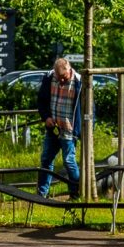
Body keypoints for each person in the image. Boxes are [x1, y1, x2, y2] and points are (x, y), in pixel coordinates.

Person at [36, 57, 82, 198]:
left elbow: (89, 108)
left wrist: (82, 131)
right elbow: (41, 101)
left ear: (69, 69)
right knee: (46, 159)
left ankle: (75, 194)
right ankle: (41, 193)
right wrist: (46, 117)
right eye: (58, 77)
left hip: (69, 129)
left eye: (64, 77)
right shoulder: (49, 78)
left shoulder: (80, 82)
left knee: (69, 161)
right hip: (53, 127)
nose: (61, 80)